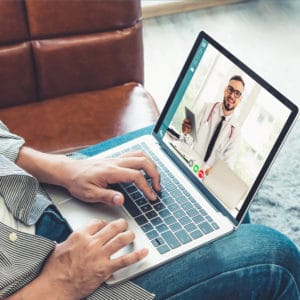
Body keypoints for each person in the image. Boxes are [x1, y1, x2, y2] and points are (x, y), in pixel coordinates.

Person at [0, 120, 299, 300]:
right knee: (274, 259)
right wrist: (60, 282)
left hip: (29, 191)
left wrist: (65, 169)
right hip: (40, 284)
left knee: (184, 162)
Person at [182, 75, 244, 175]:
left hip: (208, 179)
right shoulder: (207, 108)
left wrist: (215, 172)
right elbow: (188, 141)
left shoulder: (236, 133)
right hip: (190, 166)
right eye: (230, 90)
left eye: (237, 94)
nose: (232, 96)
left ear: (240, 99)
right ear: (225, 90)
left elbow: (227, 167)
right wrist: (186, 133)